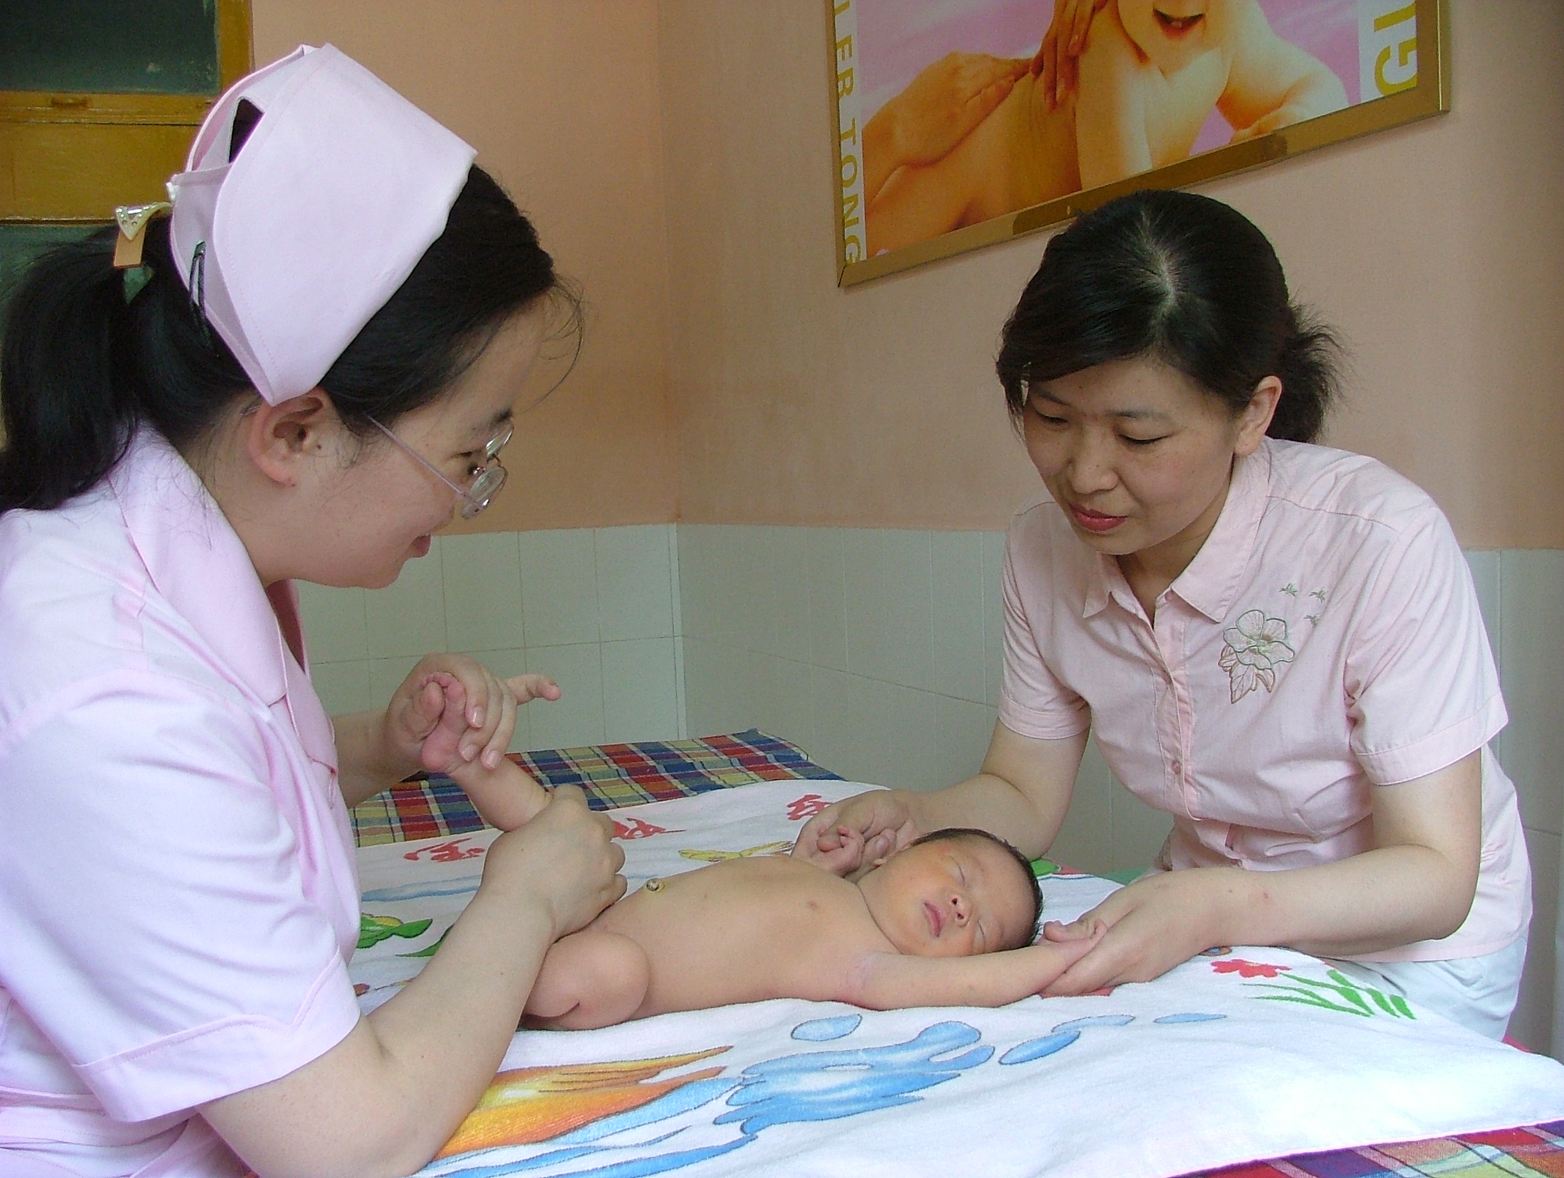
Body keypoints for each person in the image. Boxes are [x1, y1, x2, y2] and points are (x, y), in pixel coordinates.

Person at [0, 44, 627, 1178]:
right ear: (292, 431)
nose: (475, 493)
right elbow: (344, 1140)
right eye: (466, 451)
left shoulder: (188, 551)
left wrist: (380, 748)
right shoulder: (105, 683)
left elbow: (220, 785)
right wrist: (523, 898)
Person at [797, 187, 1532, 1040]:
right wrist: (916, 815)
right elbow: (1022, 793)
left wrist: (1213, 907)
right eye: (1051, 417)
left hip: (1409, 951)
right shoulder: (1042, 551)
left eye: (1138, 438)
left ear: (1252, 412)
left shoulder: (1378, 542)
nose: (1084, 474)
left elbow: (1437, 876)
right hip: (1206, 913)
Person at [864, 0, 1347, 255]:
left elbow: (1319, 83)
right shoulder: (1110, 49)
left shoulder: (1232, 28)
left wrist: (1299, 117)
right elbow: (1123, 216)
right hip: (969, 162)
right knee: (872, 242)